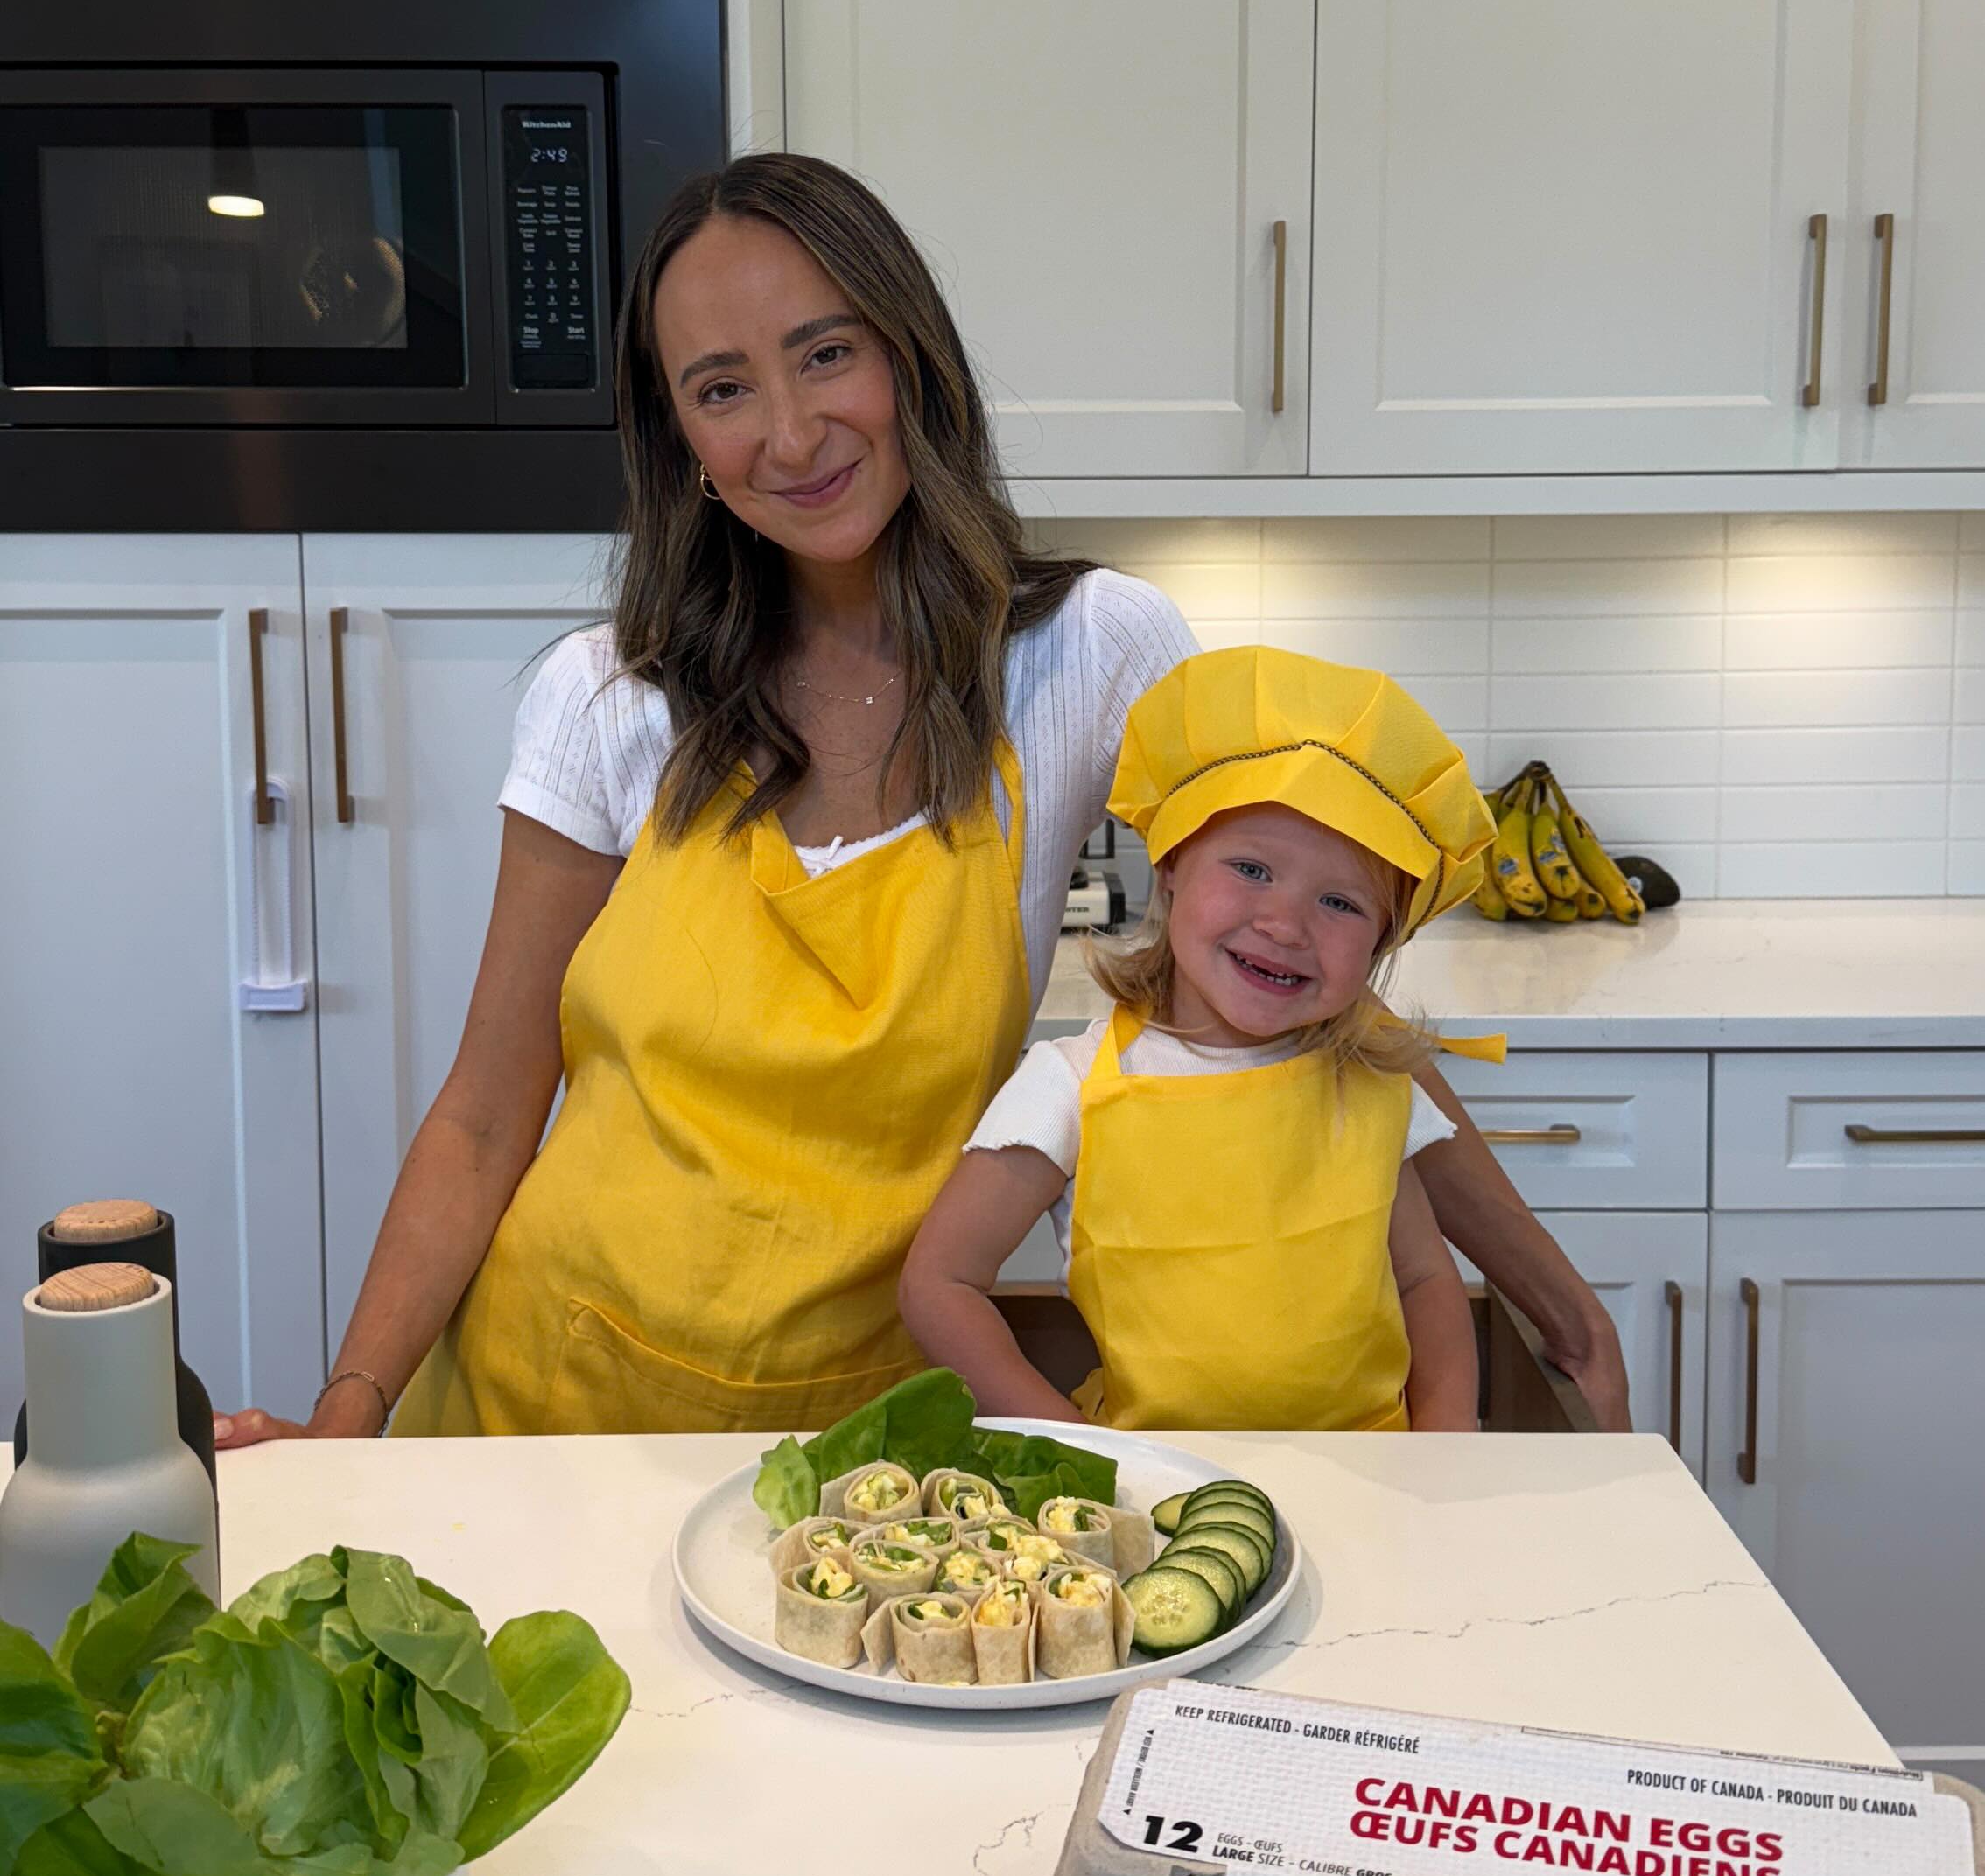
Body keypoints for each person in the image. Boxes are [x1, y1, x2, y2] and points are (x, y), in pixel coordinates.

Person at [215, 156, 1631, 1448]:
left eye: (823, 353)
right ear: (681, 443)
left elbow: (1307, 973)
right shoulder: (607, 698)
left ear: (909, 353)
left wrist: (1556, 1310)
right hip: (549, 1408)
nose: (788, 432)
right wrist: (348, 1414)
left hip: (872, 1442)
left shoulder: (1086, 654)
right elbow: (481, 1112)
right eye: (720, 388)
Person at [901, 649, 1496, 1432]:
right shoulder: (1071, 1085)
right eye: (1250, 868)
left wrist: (1444, 1451)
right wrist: (1083, 1453)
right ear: (1173, 862)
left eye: (1341, 903)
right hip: (1160, 1500)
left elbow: (1425, 1284)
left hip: (1368, 1480)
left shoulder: (1372, 1085)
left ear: (1385, 941)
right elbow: (939, 1284)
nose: (1285, 925)